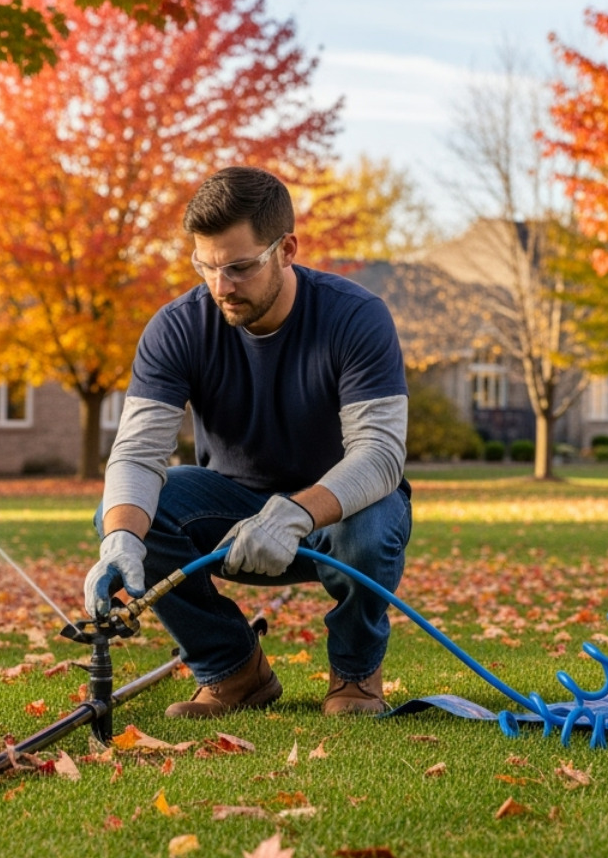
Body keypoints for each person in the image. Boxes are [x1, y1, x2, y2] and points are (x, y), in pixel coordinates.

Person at [82, 166, 410, 719]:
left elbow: (379, 453)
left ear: (286, 249)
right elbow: (138, 453)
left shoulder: (356, 317)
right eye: (205, 266)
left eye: (238, 267)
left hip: (337, 515)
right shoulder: (177, 328)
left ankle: (355, 675)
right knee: (125, 513)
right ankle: (233, 670)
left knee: (373, 520)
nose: (220, 287)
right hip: (229, 514)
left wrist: (294, 514)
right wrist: (121, 538)